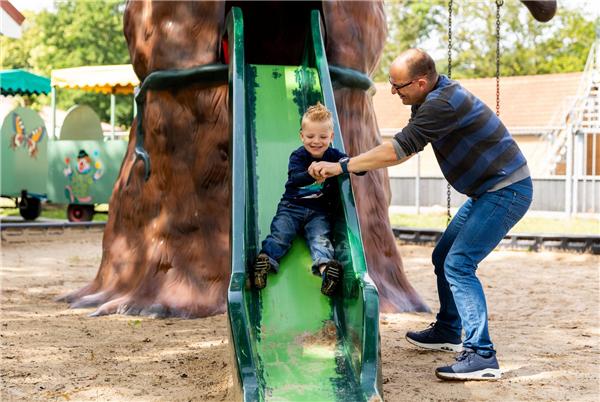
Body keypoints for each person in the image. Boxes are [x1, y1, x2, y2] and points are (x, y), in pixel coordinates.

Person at [310, 48, 533, 380]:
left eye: (398, 86)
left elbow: (399, 150)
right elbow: (402, 145)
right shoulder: (427, 100)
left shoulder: (442, 103)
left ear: (421, 82)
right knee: (443, 255)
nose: (392, 92)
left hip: (506, 190)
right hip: (486, 191)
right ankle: (447, 330)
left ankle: (481, 355)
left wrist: (341, 166)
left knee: (459, 263)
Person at [251, 102, 366, 296]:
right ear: (302, 136)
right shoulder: (298, 156)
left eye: (322, 137)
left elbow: (357, 166)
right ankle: (263, 262)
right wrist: (311, 174)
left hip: (319, 213)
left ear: (331, 137)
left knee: (321, 241)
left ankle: (326, 272)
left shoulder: (334, 156)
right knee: (280, 235)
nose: (316, 141)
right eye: (310, 136)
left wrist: (353, 165)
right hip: (291, 207)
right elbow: (295, 178)